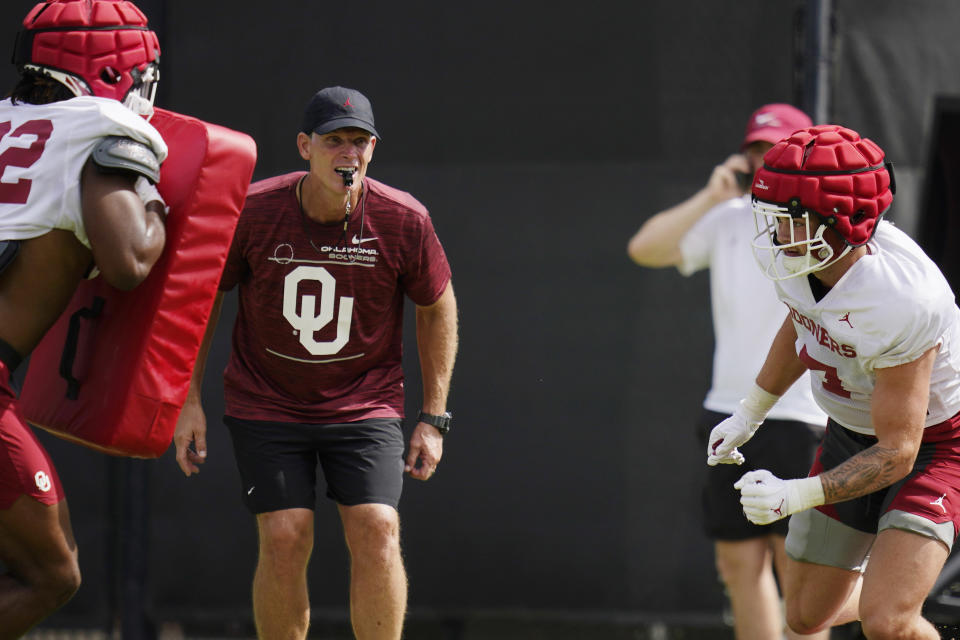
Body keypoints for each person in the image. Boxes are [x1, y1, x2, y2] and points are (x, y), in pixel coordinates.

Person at [173, 86, 458, 640]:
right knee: (284, 535)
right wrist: (187, 400)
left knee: (377, 527)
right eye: (334, 141)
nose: (347, 154)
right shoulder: (255, 209)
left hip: (364, 400)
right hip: (267, 399)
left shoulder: (402, 219)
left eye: (359, 141)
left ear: (373, 150)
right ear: (305, 146)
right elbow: (206, 297)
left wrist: (434, 415)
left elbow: (438, 306)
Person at [708, 124, 960, 639]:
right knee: (803, 618)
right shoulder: (809, 261)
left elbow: (898, 452)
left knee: (888, 622)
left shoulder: (900, 300)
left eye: (789, 219)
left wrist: (798, 494)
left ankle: (895, 589)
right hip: (849, 430)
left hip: (935, 445)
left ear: (839, 224)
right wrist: (750, 411)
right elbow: (804, 323)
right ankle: (890, 578)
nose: (774, 233)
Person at [628, 104, 831, 640]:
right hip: (729, 413)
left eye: (778, 150)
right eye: (758, 150)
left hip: (803, 416)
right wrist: (712, 196)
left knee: (801, 573)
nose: (766, 160)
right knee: (740, 566)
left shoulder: (823, 222)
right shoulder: (728, 216)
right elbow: (644, 248)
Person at [0, 0, 167, 635]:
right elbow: (128, 261)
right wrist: (157, 201)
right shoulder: (104, 129)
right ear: (118, 69)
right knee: (53, 573)